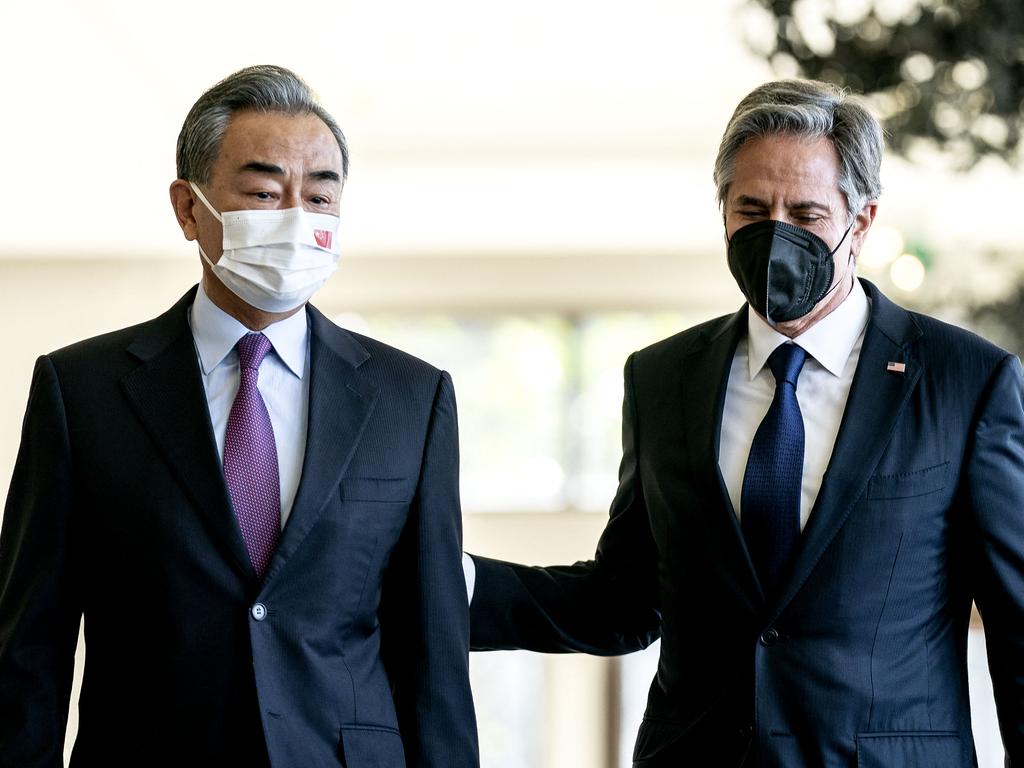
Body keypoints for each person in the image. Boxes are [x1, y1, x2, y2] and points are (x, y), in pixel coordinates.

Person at [466, 79, 1024, 766]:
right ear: (723, 212)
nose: (775, 235)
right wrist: (448, 580)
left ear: (864, 220)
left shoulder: (966, 380)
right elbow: (622, 600)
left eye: (808, 213)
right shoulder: (662, 379)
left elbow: (1018, 622)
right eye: (752, 209)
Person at [0, 65, 478, 768]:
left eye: (320, 195)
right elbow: (27, 647)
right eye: (262, 192)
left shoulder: (411, 397)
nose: (296, 216)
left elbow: (435, 649)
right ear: (189, 209)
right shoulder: (82, 390)